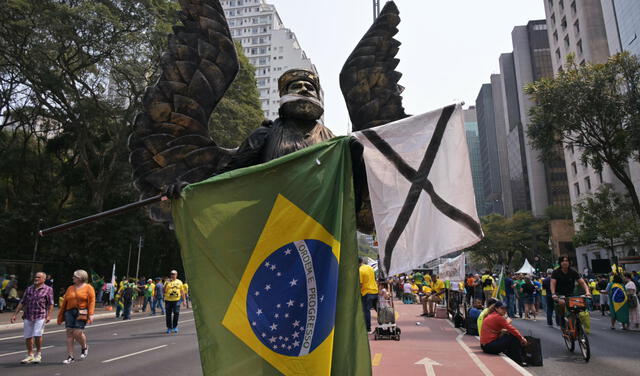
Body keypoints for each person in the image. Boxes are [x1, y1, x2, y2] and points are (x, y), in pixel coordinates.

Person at [10, 272, 54, 364]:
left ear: (43, 279)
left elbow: (50, 304)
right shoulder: (29, 289)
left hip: (40, 315)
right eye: (35, 277)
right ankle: (30, 355)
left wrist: (49, 315)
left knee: (38, 334)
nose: (36, 278)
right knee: (28, 336)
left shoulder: (48, 289)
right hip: (28, 315)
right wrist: (15, 314)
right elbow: (22, 302)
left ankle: (38, 354)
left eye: (38, 277)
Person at [57, 270, 96, 364]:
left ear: (80, 278)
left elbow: (92, 301)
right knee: (69, 334)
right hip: (69, 312)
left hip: (82, 312)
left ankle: (84, 347)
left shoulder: (88, 287)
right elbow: (65, 303)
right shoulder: (70, 288)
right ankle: (70, 356)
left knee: (77, 333)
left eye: (75, 276)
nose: (73, 278)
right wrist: (60, 315)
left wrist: (91, 314)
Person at [480, 301, 528, 366]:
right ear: (496, 308)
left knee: (509, 334)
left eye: (505, 308)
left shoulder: (492, 315)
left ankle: (514, 357)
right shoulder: (498, 317)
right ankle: (518, 360)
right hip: (488, 346)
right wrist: (522, 338)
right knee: (513, 336)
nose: (504, 310)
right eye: (502, 308)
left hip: (485, 346)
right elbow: (512, 329)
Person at [551, 256, 591, 329]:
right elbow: (552, 284)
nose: (565, 262)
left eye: (566, 261)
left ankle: (575, 325)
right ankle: (562, 320)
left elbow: (582, 283)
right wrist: (553, 294)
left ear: (569, 262)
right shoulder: (556, 272)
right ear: (560, 263)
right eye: (563, 261)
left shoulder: (573, 271)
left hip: (570, 294)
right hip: (559, 294)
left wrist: (587, 292)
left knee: (576, 308)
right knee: (562, 303)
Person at [358, 258, 378, 334]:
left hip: (366, 292)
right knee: (378, 310)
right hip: (375, 290)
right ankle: (385, 323)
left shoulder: (360, 270)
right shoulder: (370, 267)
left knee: (366, 311)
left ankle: (368, 329)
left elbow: (360, 284)